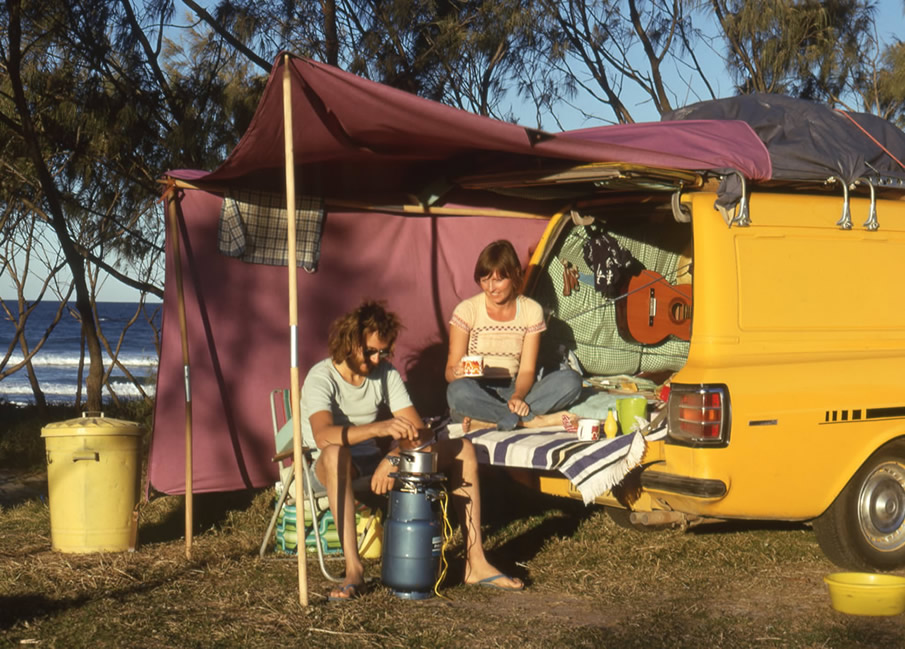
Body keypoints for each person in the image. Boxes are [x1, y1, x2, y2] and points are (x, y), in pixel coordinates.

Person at [301, 300, 524, 601]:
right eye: (370, 351)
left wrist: (394, 457)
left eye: (383, 351)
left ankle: (477, 562)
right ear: (350, 342)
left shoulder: (385, 374)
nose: (377, 358)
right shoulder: (322, 377)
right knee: (335, 452)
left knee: (464, 450)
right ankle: (355, 571)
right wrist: (380, 429)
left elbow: (419, 432)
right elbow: (324, 436)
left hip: (373, 461)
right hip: (328, 468)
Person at [446, 239, 583, 431]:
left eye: (498, 280)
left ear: (515, 276)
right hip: (478, 389)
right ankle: (534, 421)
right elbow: (450, 372)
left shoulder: (531, 310)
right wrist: (457, 372)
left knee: (571, 381)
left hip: (517, 387)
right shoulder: (466, 310)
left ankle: (489, 420)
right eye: (485, 280)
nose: (491, 288)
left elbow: (527, 370)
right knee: (457, 392)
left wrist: (518, 396)